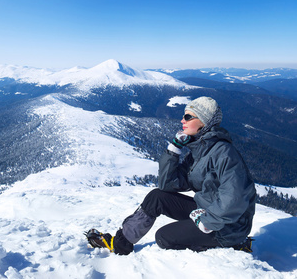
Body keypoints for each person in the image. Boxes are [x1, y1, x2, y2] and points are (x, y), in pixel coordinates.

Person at [85, 96, 256, 254]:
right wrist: (173, 150)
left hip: (227, 227)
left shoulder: (224, 153)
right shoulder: (199, 152)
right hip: (207, 211)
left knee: (164, 237)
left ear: (204, 122)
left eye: (188, 117)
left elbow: (236, 197)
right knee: (156, 197)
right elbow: (167, 184)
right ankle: (120, 243)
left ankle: (234, 245)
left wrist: (208, 221)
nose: (182, 120)